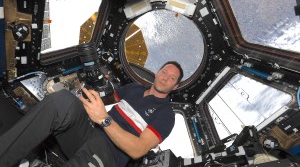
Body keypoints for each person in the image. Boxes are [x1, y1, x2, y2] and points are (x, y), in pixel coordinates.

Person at [0, 61, 184, 167]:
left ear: (175, 86)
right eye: (164, 71)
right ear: (158, 72)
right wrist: (81, 96)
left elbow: (138, 150)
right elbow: (103, 102)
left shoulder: (166, 114)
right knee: (62, 101)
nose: (165, 77)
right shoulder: (135, 88)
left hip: (109, 153)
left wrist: (104, 119)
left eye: (172, 78)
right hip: (88, 131)